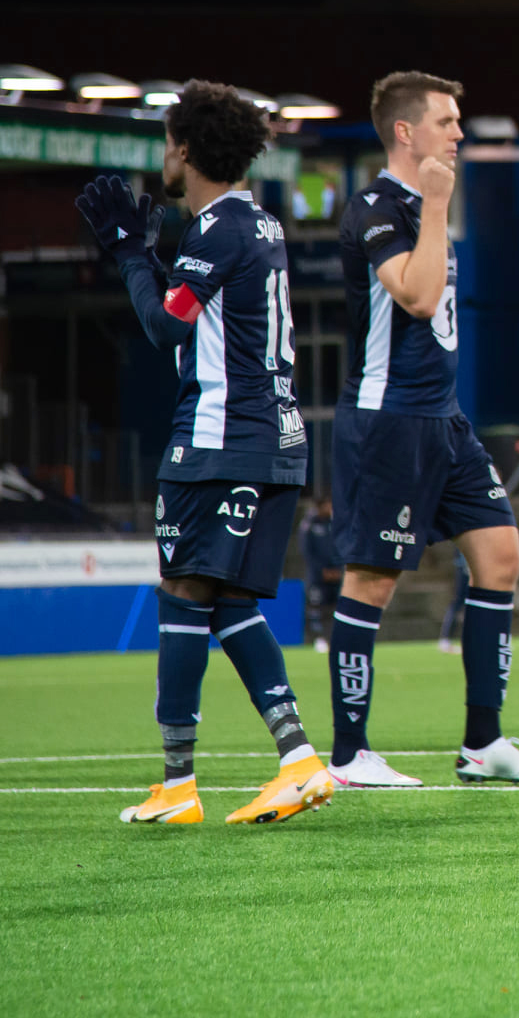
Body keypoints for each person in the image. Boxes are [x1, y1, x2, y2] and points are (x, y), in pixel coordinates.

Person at [76, 79, 336, 825]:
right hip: (266, 436)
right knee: (221, 599)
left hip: (223, 439)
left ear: (185, 150)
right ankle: (295, 761)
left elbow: (166, 328)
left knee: (184, 593)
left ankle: (181, 784)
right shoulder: (256, 225)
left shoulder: (219, 231)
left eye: (166, 142)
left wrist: (129, 250)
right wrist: (155, 256)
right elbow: (196, 310)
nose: (163, 155)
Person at [326, 71, 519, 788]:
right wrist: (433, 203)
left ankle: (481, 743)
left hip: (444, 420)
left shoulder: (426, 207)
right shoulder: (373, 207)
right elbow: (419, 299)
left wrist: (434, 205)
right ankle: (349, 754)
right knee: (371, 581)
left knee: (501, 559)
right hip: (388, 420)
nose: (459, 133)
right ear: (406, 132)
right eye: (448, 121)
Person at [298, 495, 342, 653]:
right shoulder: (308, 525)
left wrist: (338, 569)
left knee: (338, 607)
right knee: (316, 607)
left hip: (337, 574)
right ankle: (319, 638)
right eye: (328, 505)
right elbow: (307, 552)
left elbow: (341, 548)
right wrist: (321, 571)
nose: (330, 509)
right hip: (317, 577)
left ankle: (336, 638)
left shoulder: (335, 524)